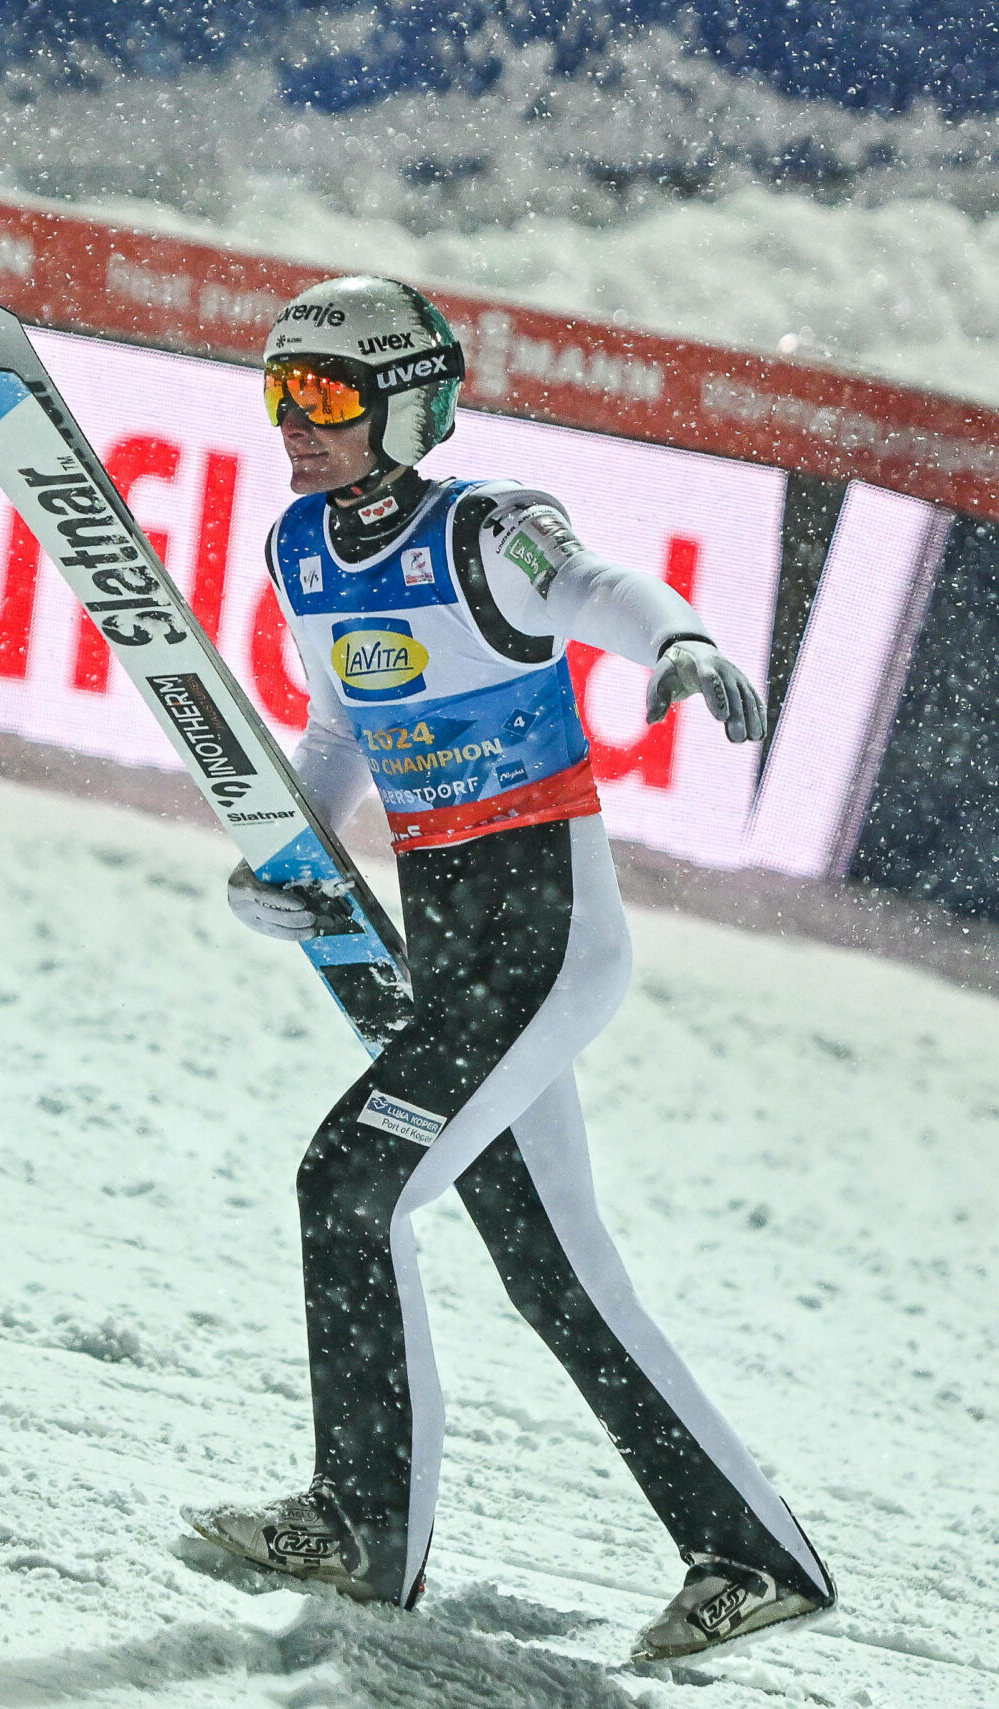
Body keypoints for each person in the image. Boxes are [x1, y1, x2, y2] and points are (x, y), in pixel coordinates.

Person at [186, 275, 834, 1663]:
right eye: (279, 391)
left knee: (347, 1182)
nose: (294, 422)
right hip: (453, 942)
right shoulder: (302, 547)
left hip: (543, 942)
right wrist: (290, 859)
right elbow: (337, 730)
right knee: (556, 1271)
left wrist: (681, 640)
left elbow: (595, 587)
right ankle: (749, 1554)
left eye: (326, 397)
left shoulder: (484, 528)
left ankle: (363, 1523)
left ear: (407, 406)